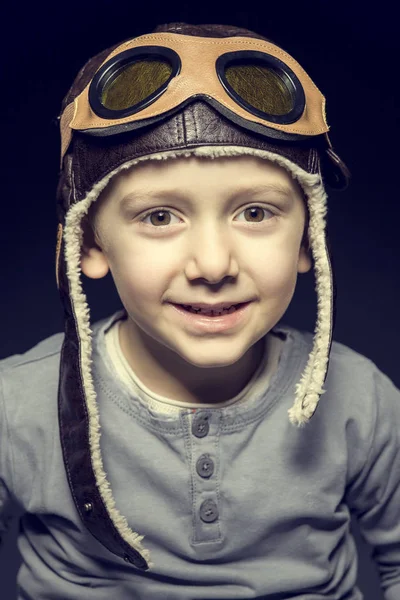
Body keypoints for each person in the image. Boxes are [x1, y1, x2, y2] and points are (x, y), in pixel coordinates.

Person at [1, 21, 399, 600]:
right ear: (88, 244)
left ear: (309, 236)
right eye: (160, 217)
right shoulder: (16, 408)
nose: (213, 264)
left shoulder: (361, 401)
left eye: (256, 213)